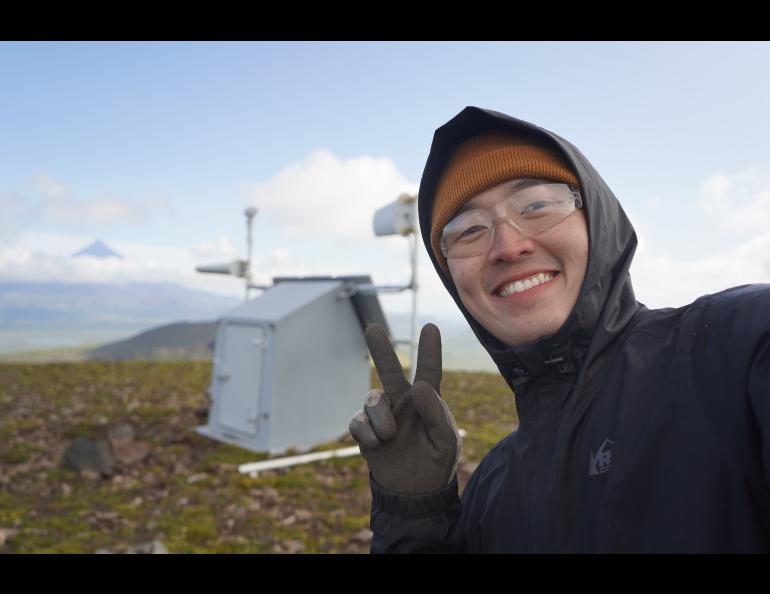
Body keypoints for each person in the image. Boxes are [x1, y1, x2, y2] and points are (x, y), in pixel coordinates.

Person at [349, 106, 770, 553]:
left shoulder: (735, 351)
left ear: (596, 219)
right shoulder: (490, 488)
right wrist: (416, 516)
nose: (508, 246)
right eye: (468, 230)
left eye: (536, 204)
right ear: (450, 273)